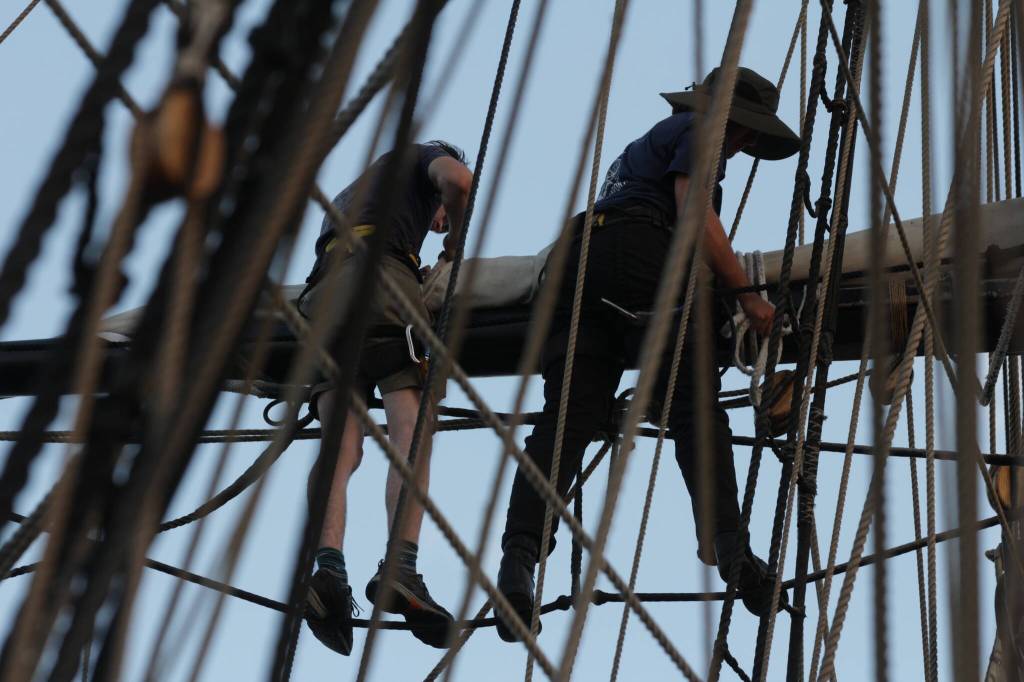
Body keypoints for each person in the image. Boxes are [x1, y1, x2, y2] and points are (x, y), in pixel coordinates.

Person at [494, 67, 802, 641]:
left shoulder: (647, 146)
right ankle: (729, 544)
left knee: (567, 419)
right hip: (641, 250)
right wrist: (746, 295)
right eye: (746, 135)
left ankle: (518, 561)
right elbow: (691, 209)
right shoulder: (699, 128)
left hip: (579, 260)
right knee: (695, 405)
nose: (743, 146)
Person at [298, 141, 473, 655]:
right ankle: (402, 566)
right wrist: (455, 244)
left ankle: (328, 569)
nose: (440, 223)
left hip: (322, 295)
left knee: (339, 446)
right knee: (410, 432)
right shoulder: (425, 155)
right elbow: (457, 182)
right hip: (382, 285)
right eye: (439, 217)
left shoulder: (354, 194)